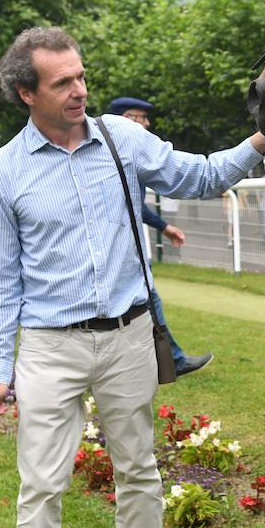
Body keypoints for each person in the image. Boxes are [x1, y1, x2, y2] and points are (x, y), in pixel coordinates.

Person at [0, 27, 265, 528]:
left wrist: (263, 138)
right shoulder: (2, 173)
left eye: (81, 76)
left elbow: (201, 174)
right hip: (49, 348)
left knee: (137, 465)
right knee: (40, 487)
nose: (80, 90)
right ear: (27, 93)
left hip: (130, 335)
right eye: (62, 83)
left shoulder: (120, 139)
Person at [104, 96, 212, 377]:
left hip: (129, 256)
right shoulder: (115, 155)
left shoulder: (118, 152)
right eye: (142, 117)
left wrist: (164, 227)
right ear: (128, 119)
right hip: (125, 257)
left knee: (149, 302)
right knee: (148, 302)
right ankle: (172, 361)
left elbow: (136, 205)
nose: (148, 123)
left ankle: (170, 359)